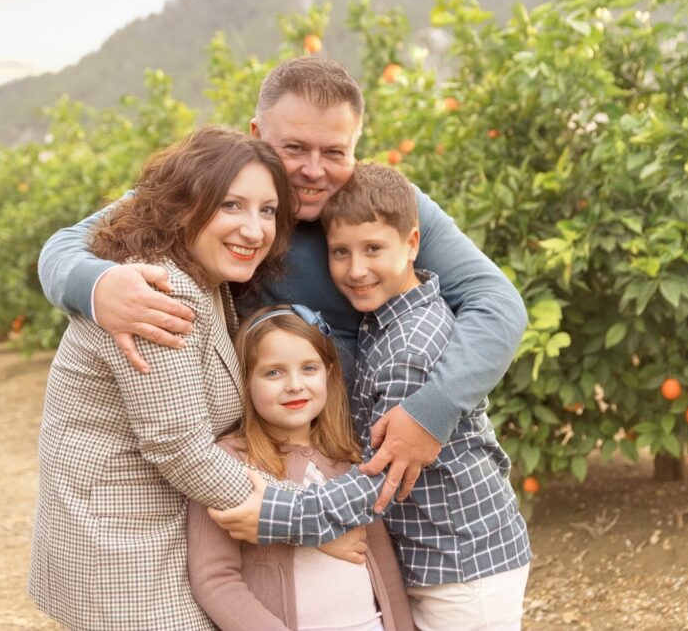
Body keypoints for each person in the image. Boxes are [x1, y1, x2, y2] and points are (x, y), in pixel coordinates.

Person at [37, 56, 528, 511]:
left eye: (334, 152)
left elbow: (497, 303)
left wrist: (431, 412)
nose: (313, 171)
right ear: (257, 132)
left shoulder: (381, 209)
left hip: (377, 458)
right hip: (264, 463)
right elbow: (64, 245)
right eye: (293, 148)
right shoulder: (221, 186)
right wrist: (97, 286)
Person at [210, 164, 531, 630]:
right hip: (439, 558)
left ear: (413, 244)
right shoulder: (383, 321)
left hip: (462, 565)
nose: (356, 270)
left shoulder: (410, 348)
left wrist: (278, 513)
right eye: (341, 252)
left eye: (373, 249)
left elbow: (381, 479)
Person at [27, 126, 298, 630]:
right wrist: (299, 517)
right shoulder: (160, 291)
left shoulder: (204, 277)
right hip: (126, 542)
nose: (255, 229)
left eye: (267, 210)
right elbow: (178, 444)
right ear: (183, 206)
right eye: (231, 206)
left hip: (152, 525)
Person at [186, 305, 414, 631]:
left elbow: (382, 565)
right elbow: (215, 579)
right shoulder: (229, 462)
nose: (294, 385)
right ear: (245, 380)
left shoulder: (348, 458)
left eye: (308, 368)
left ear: (330, 373)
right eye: (273, 372)